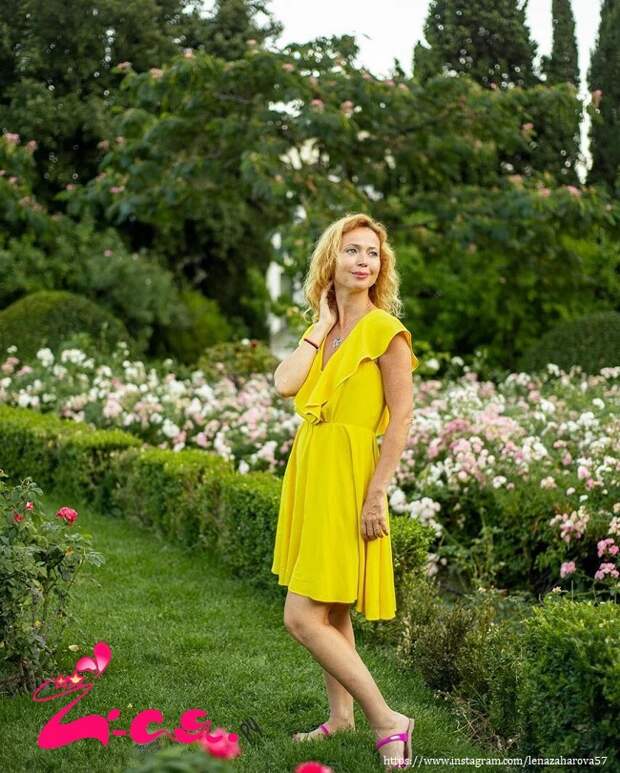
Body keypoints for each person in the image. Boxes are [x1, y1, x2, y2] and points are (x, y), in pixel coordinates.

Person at [271, 213, 420, 770]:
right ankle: (340, 719)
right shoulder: (325, 330)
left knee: (301, 617)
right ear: (330, 260)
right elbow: (285, 384)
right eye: (352, 250)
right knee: (330, 609)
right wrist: (321, 323)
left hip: (352, 475)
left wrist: (376, 495)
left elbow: (401, 419)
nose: (364, 261)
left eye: (373, 253)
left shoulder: (386, 331)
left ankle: (386, 719)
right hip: (312, 467)